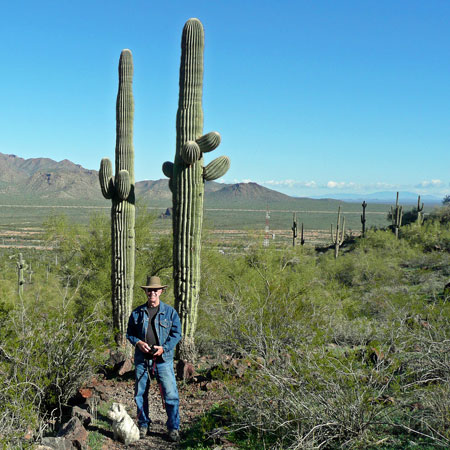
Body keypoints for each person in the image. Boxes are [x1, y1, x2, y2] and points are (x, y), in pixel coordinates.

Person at [126, 275, 182, 442]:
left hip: (163, 359)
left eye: (155, 290)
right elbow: (129, 333)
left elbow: (176, 334)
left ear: (161, 291)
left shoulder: (170, 312)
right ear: (146, 292)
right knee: (140, 393)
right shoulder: (136, 313)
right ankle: (143, 424)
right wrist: (138, 343)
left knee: (170, 393)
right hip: (142, 359)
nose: (152, 293)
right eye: (150, 290)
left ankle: (173, 428)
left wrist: (163, 348)